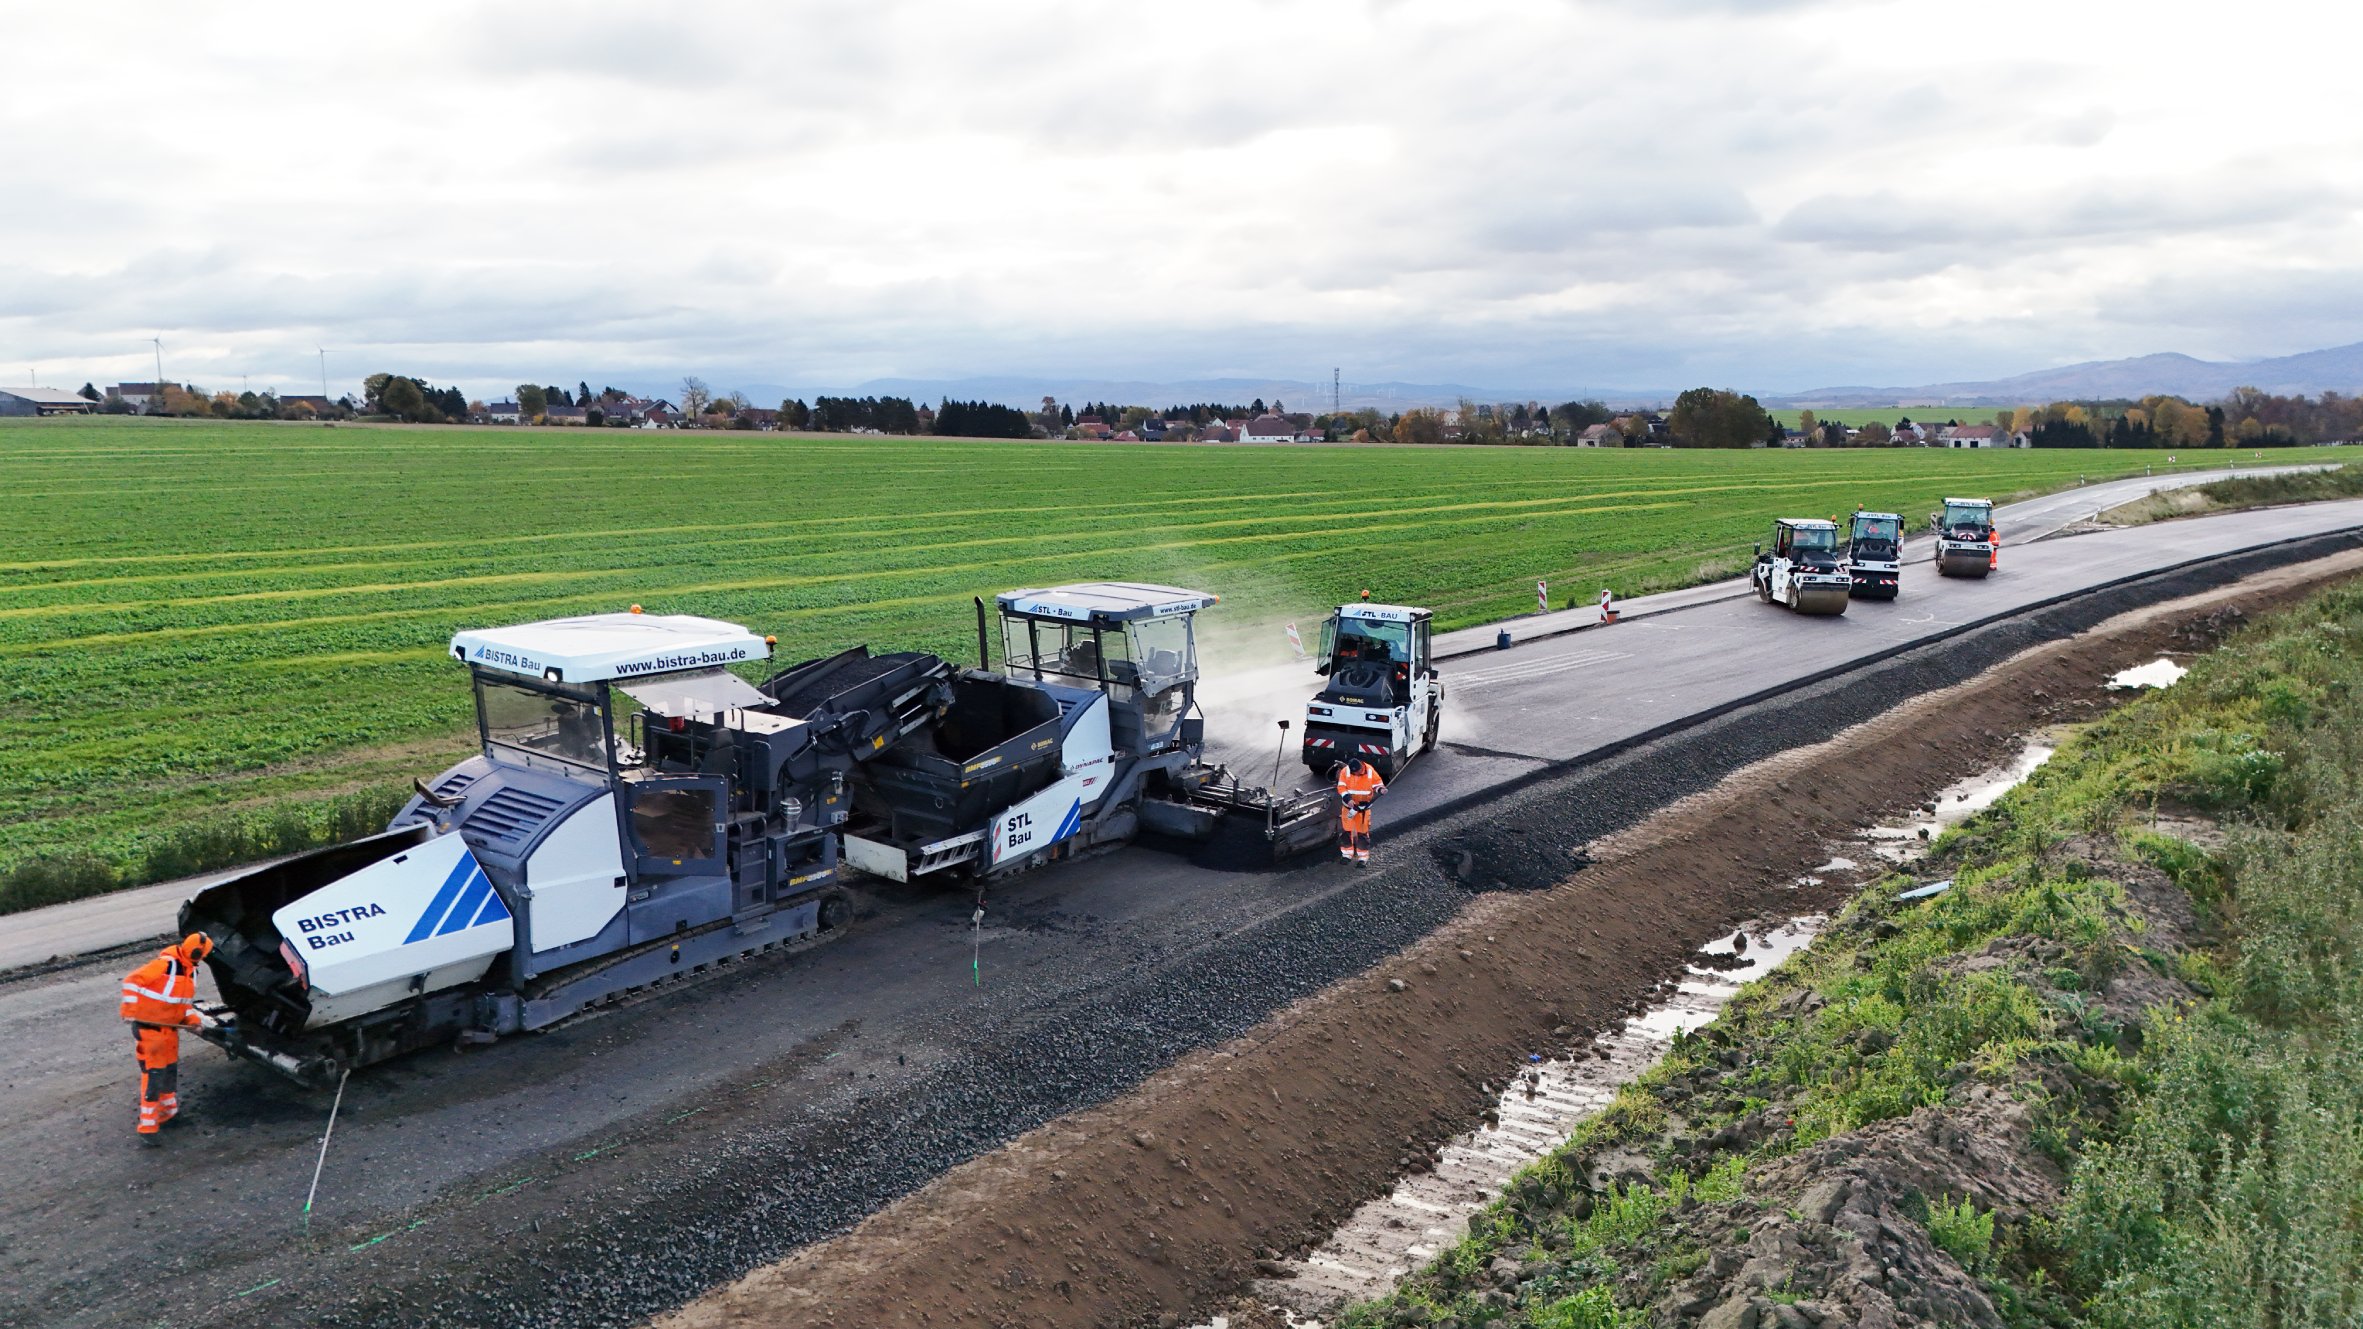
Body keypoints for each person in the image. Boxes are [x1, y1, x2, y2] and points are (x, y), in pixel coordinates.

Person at [119, 933, 216, 1141]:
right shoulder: (166, 965)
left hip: (169, 1031)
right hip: (150, 1031)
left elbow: (184, 1005)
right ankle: (148, 1128)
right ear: (197, 953)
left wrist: (193, 1022)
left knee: (169, 1072)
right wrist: (129, 1010)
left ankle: (168, 1114)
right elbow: (131, 981)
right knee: (154, 1076)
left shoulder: (190, 972)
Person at [1335, 756, 1387, 865]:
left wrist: (1381, 789)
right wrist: (1348, 799)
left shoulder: (1370, 770)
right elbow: (1341, 788)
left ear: (1361, 767)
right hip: (1349, 808)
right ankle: (1346, 855)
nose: (1356, 774)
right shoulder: (1345, 771)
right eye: (1354, 772)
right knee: (1347, 830)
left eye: (1358, 771)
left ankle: (1362, 858)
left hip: (1363, 809)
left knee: (1362, 832)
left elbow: (1377, 784)